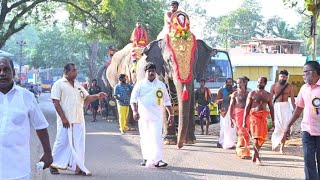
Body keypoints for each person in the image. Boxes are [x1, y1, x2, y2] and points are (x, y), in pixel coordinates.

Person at [49, 63, 107, 176]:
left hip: (78, 119)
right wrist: (63, 118)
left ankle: (78, 167)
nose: (76, 72)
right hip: (65, 121)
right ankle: (53, 164)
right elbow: (55, 102)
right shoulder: (59, 84)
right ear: (66, 72)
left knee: (79, 144)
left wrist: (97, 96)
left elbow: (86, 98)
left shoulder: (78, 85)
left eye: (76, 70)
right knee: (61, 142)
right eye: (74, 70)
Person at [0, 56, 53, 180]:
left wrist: (48, 153)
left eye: (6, 69)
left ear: (13, 73)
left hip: (18, 170)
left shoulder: (27, 96)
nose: (2, 73)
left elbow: (40, 126)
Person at [130, 63, 174, 168]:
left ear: (155, 72)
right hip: (143, 117)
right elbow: (133, 100)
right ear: (145, 73)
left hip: (157, 117)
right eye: (149, 71)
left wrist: (171, 114)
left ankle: (158, 160)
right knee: (145, 137)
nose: (151, 73)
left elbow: (167, 101)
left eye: (153, 71)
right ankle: (146, 158)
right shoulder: (140, 84)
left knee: (157, 138)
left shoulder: (161, 85)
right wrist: (135, 111)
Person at [284, 61, 320, 180]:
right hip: (307, 131)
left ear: (314, 73)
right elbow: (299, 108)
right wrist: (288, 126)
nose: (303, 75)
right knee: (308, 161)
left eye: (305, 72)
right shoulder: (304, 88)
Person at [243, 77, 274, 166]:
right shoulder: (252, 93)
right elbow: (247, 107)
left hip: (263, 118)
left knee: (263, 137)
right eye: (258, 81)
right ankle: (258, 159)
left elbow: (271, 107)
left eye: (261, 82)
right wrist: (244, 120)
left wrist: (273, 120)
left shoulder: (268, 95)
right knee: (256, 138)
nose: (259, 83)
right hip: (254, 117)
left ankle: (254, 153)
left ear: (265, 83)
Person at [270, 70, 295, 154]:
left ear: (286, 77)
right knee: (277, 127)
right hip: (276, 107)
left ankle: (282, 148)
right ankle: (274, 144)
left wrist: (295, 110)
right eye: (281, 76)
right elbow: (269, 99)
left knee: (285, 127)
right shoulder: (273, 86)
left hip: (286, 107)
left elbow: (292, 100)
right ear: (279, 77)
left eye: (284, 77)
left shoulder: (289, 87)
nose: (282, 78)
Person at [229, 77, 250, 159]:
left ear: (244, 83)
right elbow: (231, 105)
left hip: (247, 114)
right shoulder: (235, 94)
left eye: (240, 83)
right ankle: (242, 152)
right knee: (241, 132)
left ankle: (243, 150)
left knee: (246, 132)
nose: (239, 85)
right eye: (237, 83)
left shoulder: (248, 93)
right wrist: (231, 117)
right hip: (238, 114)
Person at [215, 78, 236, 149]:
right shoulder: (221, 90)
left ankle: (230, 144)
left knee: (232, 128)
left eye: (230, 82)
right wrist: (226, 99)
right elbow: (217, 101)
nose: (229, 84)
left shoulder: (235, 91)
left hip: (233, 111)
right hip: (224, 111)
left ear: (232, 83)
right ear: (226, 83)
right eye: (228, 82)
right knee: (224, 127)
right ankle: (221, 142)